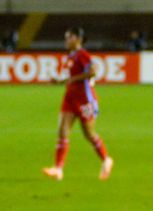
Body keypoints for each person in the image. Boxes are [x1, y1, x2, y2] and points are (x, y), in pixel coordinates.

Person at [42, 27, 113, 182]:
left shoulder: (83, 55)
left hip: (85, 101)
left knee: (89, 134)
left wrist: (73, 80)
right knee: (62, 130)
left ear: (77, 39)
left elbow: (93, 72)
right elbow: (70, 77)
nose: (66, 41)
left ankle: (106, 160)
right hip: (70, 99)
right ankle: (58, 169)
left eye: (68, 38)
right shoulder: (70, 57)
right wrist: (60, 81)